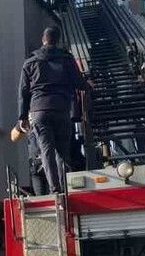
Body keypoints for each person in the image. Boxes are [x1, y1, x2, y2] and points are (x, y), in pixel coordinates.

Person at [18, 27, 91, 194]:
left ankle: (55, 189)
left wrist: (22, 116)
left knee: (46, 150)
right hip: (61, 109)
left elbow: (23, 91)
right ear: (57, 41)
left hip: (39, 110)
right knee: (62, 151)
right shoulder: (66, 59)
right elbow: (78, 82)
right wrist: (88, 85)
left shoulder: (30, 62)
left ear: (42, 39)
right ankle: (64, 187)